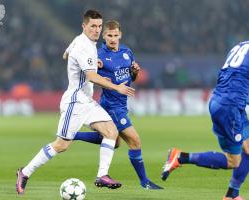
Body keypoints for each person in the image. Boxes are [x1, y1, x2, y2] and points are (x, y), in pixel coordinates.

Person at [15, 10, 136, 195]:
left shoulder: (82, 42)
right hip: (75, 102)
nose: (97, 30)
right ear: (84, 26)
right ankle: (24, 172)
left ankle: (102, 176)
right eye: (93, 26)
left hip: (87, 101)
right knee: (61, 145)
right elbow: (91, 76)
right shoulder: (84, 46)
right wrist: (116, 87)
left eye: (99, 26)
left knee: (111, 132)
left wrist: (89, 60)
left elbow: (66, 53)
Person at [73, 20, 162, 190]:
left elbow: (131, 79)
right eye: (109, 35)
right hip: (111, 105)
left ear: (120, 35)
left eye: (115, 35)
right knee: (135, 141)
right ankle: (145, 182)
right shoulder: (98, 56)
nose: (113, 39)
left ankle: (73, 134)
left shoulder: (126, 52)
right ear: (103, 36)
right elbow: (89, 76)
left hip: (121, 104)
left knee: (114, 142)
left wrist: (135, 72)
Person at [161, 41, 249, 200]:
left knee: (248, 148)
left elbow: (229, 76)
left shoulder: (241, 46)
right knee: (233, 161)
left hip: (220, 100)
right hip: (230, 107)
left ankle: (232, 194)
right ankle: (181, 157)